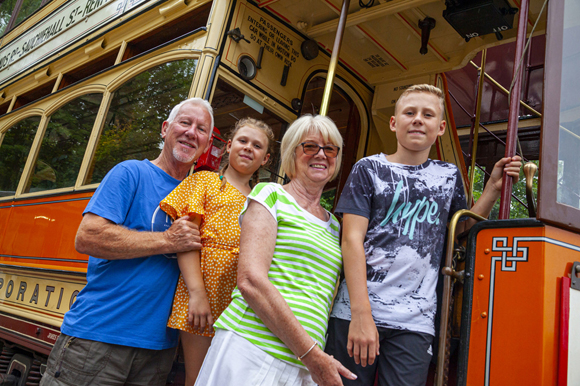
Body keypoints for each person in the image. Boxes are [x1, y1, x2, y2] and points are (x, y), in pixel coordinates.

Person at [324, 84, 522, 386]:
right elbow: (351, 239)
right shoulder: (369, 169)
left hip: (416, 319)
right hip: (358, 311)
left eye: (427, 114)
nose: (418, 119)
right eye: (409, 112)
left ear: (440, 127)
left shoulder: (449, 176)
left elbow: (460, 230)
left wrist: (493, 190)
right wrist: (361, 314)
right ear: (394, 122)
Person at [40, 98, 214, 386]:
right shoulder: (131, 172)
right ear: (165, 128)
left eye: (201, 129)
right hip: (98, 338)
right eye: (185, 123)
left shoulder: (204, 195)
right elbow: (87, 237)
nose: (191, 132)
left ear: (207, 144)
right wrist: (168, 240)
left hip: (158, 353)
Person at [195, 115, 357, 386]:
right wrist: (312, 354)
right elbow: (251, 281)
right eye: (310, 146)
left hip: (302, 365)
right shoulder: (270, 195)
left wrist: (311, 356)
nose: (321, 154)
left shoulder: (335, 225)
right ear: (292, 152)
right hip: (251, 349)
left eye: (330, 149)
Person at [159, 118, 274, 385]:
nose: (248, 148)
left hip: (241, 300)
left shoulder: (262, 199)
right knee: (199, 377)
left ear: (265, 159)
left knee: (225, 377)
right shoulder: (205, 182)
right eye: (243, 141)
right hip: (204, 292)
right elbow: (187, 241)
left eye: (257, 146)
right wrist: (197, 294)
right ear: (229, 146)